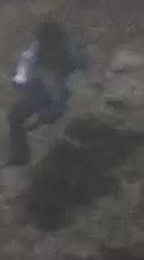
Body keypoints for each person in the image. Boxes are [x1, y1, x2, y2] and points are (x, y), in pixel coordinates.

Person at [7, 14, 87, 169]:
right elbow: (25, 67)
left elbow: (24, 68)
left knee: (17, 116)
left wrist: (21, 83)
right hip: (45, 90)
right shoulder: (56, 46)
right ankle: (21, 155)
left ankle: (21, 155)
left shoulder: (49, 47)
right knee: (17, 116)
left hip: (46, 90)